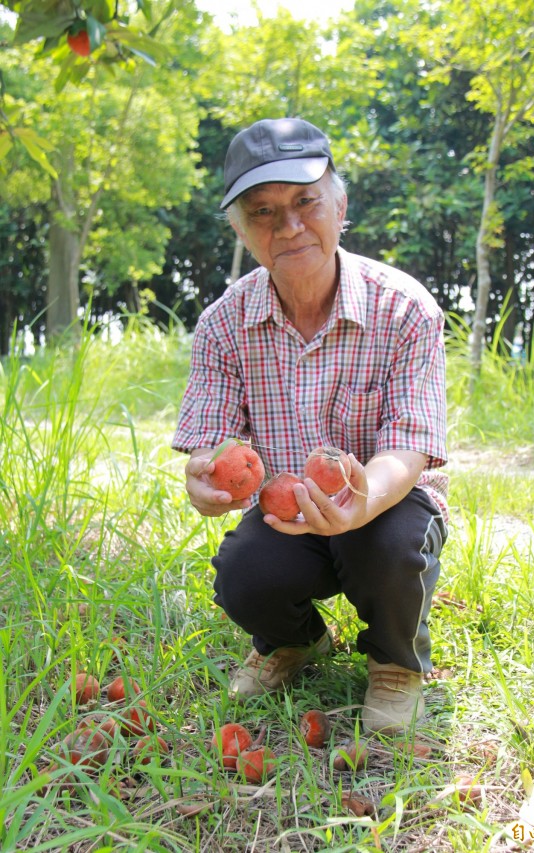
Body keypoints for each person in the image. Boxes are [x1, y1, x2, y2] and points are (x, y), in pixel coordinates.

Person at [173, 117, 449, 735]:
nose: (289, 225)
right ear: (243, 230)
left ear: (340, 205)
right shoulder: (223, 325)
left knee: (388, 545)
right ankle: (294, 641)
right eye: (263, 212)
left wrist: (360, 502)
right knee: (244, 573)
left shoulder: (404, 308)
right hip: (285, 512)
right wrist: (204, 484)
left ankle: (394, 662)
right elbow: (211, 447)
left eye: (305, 201)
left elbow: (409, 448)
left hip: (386, 502)